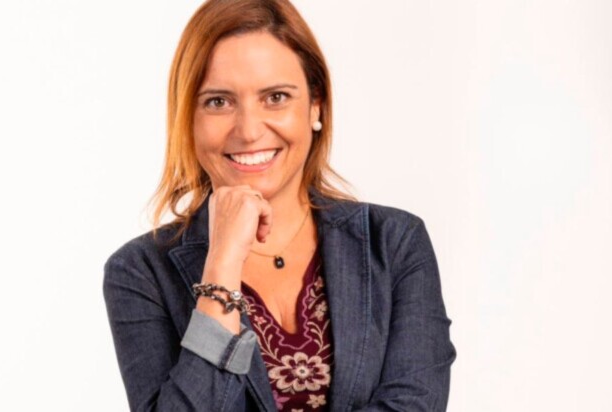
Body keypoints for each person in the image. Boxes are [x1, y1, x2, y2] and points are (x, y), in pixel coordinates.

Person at [103, 0, 456, 410]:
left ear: (316, 105)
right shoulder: (140, 271)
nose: (249, 130)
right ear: (189, 118)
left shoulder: (393, 244)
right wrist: (222, 267)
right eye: (218, 101)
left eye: (275, 97)